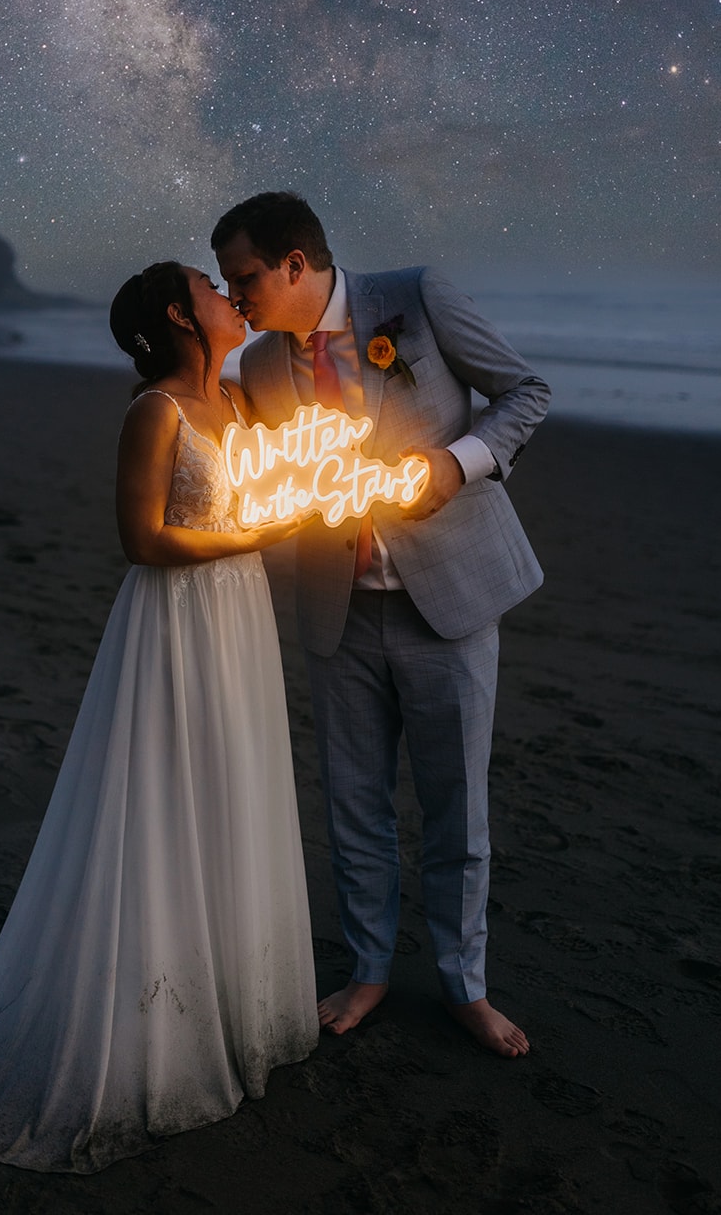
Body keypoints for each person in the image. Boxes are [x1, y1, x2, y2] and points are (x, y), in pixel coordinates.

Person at [0, 261, 318, 1172]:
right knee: (168, 794)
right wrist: (261, 536)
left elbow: (283, 470)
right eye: (209, 285)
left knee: (236, 786)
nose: (228, 295)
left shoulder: (238, 402)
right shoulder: (155, 412)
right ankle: (154, 1025)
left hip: (240, 618)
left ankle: (235, 1004)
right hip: (179, 619)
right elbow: (144, 539)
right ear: (176, 314)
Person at [212, 193, 550, 1058]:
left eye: (244, 275)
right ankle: (367, 969)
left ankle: (464, 985)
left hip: (452, 599)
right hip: (337, 609)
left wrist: (456, 460)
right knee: (353, 805)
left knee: (456, 809)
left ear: (295, 263)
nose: (236, 291)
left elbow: (524, 391)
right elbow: (252, 479)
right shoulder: (255, 367)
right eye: (224, 281)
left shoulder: (416, 296)